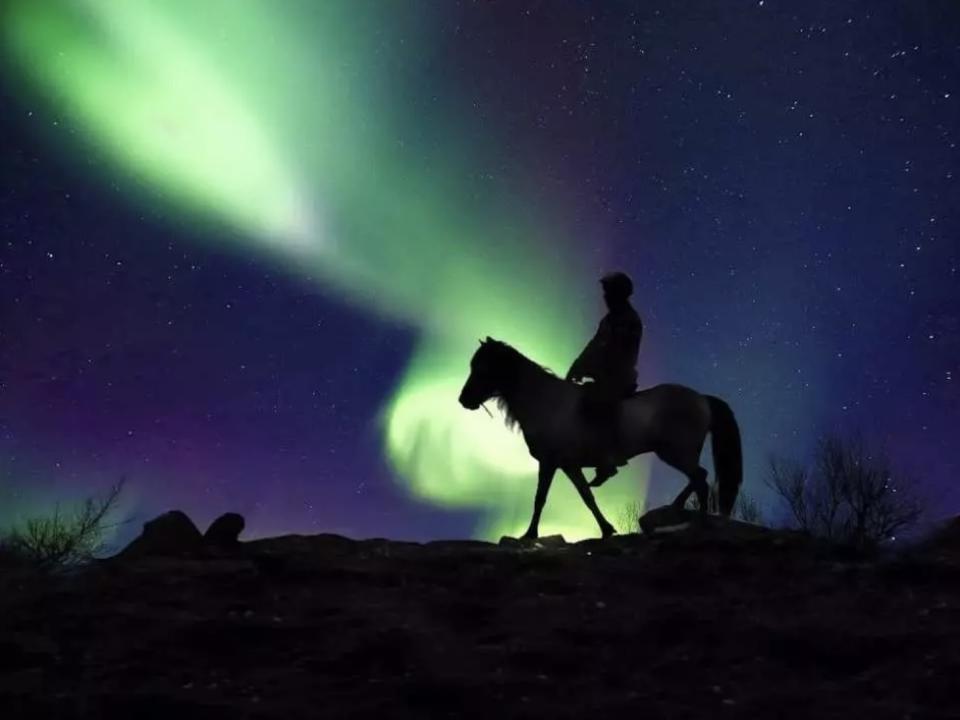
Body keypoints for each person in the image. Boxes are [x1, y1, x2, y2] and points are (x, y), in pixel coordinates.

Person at [566, 271, 643, 486]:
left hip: (619, 377)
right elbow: (594, 345)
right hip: (605, 375)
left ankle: (607, 460)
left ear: (619, 294)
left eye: (608, 293)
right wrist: (576, 368)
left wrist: (594, 370)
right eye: (605, 293)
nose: (605, 297)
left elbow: (620, 353)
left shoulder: (628, 320)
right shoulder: (609, 320)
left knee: (597, 404)